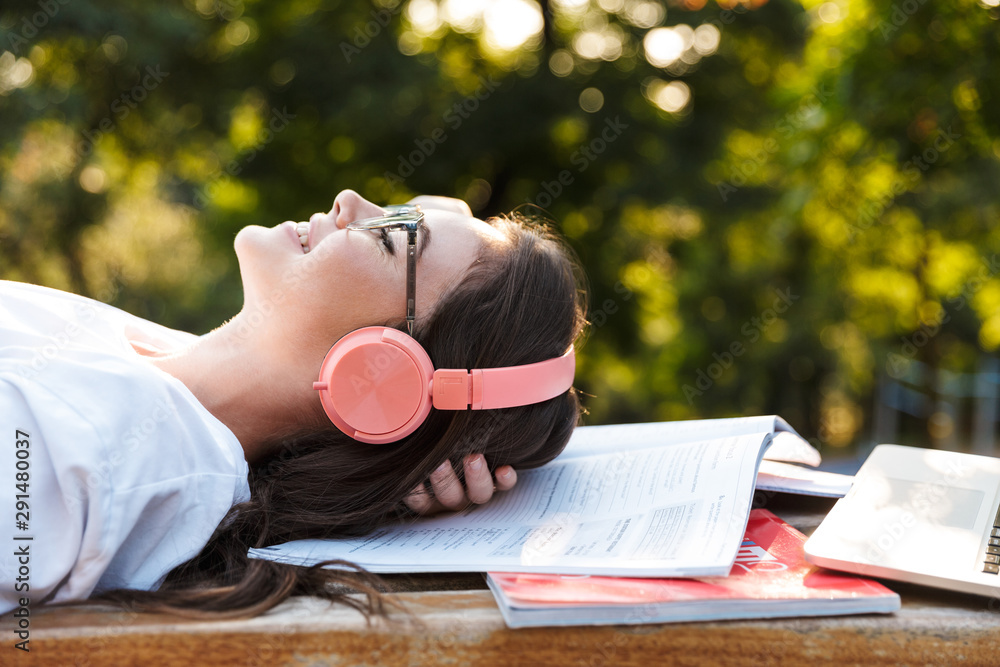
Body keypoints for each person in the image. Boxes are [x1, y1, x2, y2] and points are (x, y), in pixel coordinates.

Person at [0, 190, 586, 618]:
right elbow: (445, 247)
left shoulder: (86, 454)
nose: (348, 200)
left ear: (386, 376)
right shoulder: (157, 380)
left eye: (389, 235)